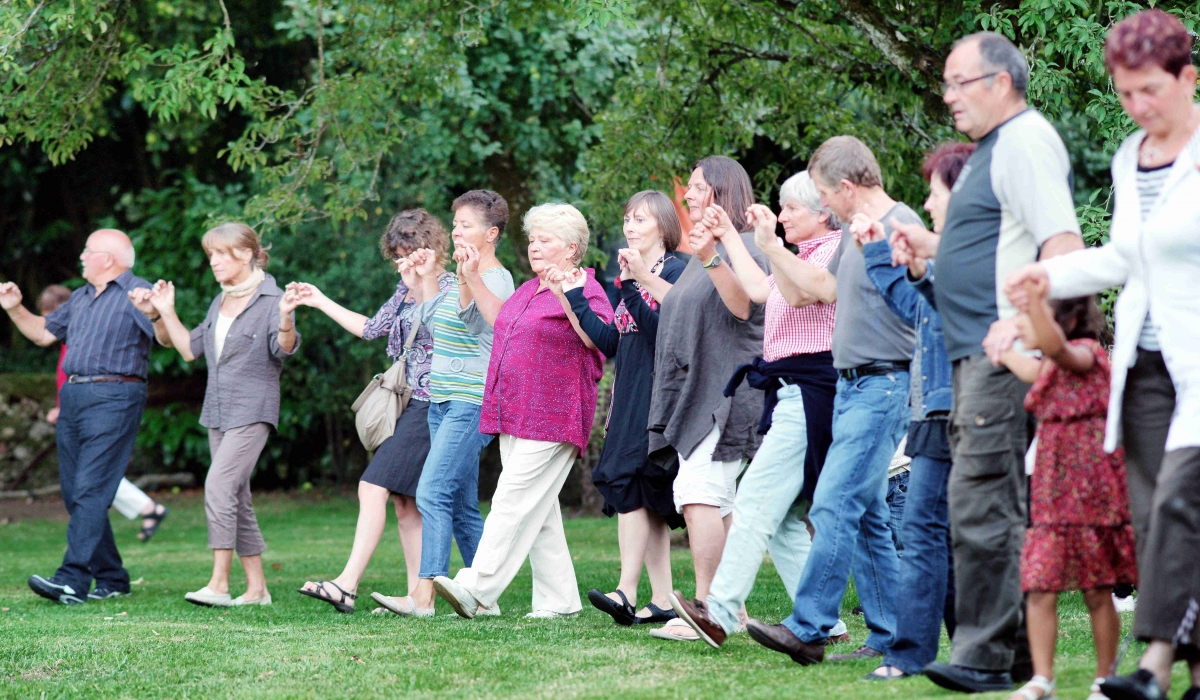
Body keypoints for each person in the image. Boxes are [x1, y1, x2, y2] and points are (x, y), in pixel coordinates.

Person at [1004, 11, 1200, 700]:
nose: (1138, 107)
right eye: (1124, 95)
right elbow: (1121, 258)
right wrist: (1046, 279)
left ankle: (1151, 665)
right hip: (1145, 369)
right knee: (1154, 518)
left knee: (1180, 503)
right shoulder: (1129, 158)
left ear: (1188, 78)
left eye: (1150, 90)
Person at [890, 32, 1084, 693]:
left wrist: (1036, 336)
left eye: (958, 82)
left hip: (1002, 356)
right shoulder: (990, 153)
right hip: (975, 352)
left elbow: (1061, 243)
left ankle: (985, 654)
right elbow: (991, 247)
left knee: (981, 504)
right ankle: (1019, 656)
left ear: (1000, 81)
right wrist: (929, 250)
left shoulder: (1026, 141)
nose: (947, 96)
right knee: (989, 500)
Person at [742, 136, 918, 664]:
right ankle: (890, 637)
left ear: (844, 188)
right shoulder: (856, 237)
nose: (824, 206)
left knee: (833, 502)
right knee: (863, 513)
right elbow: (820, 287)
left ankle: (810, 626)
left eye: (822, 194)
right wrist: (770, 245)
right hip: (853, 383)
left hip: (882, 383)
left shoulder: (893, 225)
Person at [668, 170, 851, 646]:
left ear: (823, 213)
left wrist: (765, 244)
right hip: (788, 389)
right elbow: (759, 292)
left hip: (813, 386)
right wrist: (724, 238)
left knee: (751, 504)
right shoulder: (801, 254)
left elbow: (805, 292)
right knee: (789, 520)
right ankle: (827, 623)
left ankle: (720, 613)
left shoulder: (834, 252)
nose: (782, 214)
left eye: (792, 208)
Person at [432, 202, 611, 619]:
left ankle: (477, 589)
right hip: (515, 411)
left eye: (544, 240)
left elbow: (596, 339)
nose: (534, 247)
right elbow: (499, 321)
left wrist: (568, 293)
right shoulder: (530, 289)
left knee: (511, 501)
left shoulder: (586, 287)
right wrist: (472, 277)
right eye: (532, 239)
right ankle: (560, 602)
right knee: (540, 513)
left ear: (570, 247)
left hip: (554, 415)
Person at [289, 210, 453, 613]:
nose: (403, 263)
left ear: (431, 251)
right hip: (408, 404)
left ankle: (346, 584)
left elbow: (450, 333)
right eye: (397, 255)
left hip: (434, 403)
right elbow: (370, 328)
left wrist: (422, 283)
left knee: (372, 486)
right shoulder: (401, 292)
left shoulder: (449, 288)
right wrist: (318, 299)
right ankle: (420, 598)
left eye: (410, 253)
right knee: (406, 504)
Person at [135, 222, 300, 607]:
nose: (214, 262)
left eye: (222, 254)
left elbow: (284, 349)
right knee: (236, 496)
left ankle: (219, 584)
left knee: (219, 487)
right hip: (219, 411)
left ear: (246, 254)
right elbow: (188, 349)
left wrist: (287, 319)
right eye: (211, 255)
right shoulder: (221, 300)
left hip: (253, 410)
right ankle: (258, 589)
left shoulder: (273, 299)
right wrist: (162, 313)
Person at [857, 143, 975, 680]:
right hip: (933, 411)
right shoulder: (949, 259)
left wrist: (922, 266)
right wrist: (880, 255)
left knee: (930, 531)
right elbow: (913, 307)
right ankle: (962, 652)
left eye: (935, 191)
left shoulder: (974, 254)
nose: (927, 203)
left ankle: (914, 653)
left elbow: (952, 305)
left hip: (963, 411)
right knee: (935, 532)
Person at [3, 229, 169, 604]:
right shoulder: (80, 298)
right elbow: (44, 334)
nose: (81, 255)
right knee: (74, 492)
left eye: (87, 250)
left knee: (92, 488)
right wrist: (14, 306)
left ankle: (72, 579)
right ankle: (111, 577)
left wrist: (156, 312)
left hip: (115, 394)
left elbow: (166, 339)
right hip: (74, 395)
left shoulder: (138, 293)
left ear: (108, 258)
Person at [642, 155, 769, 642]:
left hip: (727, 392)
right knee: (721, 501)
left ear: (719, 192)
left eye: (696, 188)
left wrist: (713, 254)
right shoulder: (703, 250)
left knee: (698, 495)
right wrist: (645, 279)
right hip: (701, 390)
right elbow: (687, 304)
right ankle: (728, 607)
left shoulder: (744, 246)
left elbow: (741, 305)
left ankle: (711, 610)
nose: (688, 196)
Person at [372, 191, 515, 618]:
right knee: (459, 504)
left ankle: (423, 596)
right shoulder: (457, 273)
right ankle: (482, 597)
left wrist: (467, 276)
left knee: (431, 491)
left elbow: (477, 324)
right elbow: (430, 321)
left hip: (472, 404)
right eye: (454, 225)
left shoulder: (498, 279)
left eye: (465, 225)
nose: (455, 232)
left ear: (490, 234)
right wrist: (429, 277)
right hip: (442, 401)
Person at [994, 289, 1137, 700]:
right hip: (1052, 488)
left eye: (1031, 316)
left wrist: (1035, 303)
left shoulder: (1087, 352)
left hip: (1092, 489)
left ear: (1065, 321)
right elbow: (1031, 370)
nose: (1022, 323)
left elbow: (1057, 352)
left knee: (1096, 587)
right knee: (1039, 583)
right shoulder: (1049, 367)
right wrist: (1001, 349)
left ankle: (1103, 678)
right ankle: (1042, 679)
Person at [567, 191, 686, 626]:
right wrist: (576, 298)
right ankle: (662, 599)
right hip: (630, 393)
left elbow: (667, 334)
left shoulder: (678, 269)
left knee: (631, 481)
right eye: (627, 218)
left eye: (641, 219)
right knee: (643, 493)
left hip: (660, 395)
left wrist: (634, 285)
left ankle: (626, 590)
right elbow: (617, 342)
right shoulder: (631, 274)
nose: (630, 226)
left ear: (664, 226)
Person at [37, 285, 170, 543]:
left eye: (49, 314)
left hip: (88, 404)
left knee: (92, 478)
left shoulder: (78, 331)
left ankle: (148, 508)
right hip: (75, 405)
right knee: (90, 478)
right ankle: (143, 515)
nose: (48, 323)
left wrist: (63, 407)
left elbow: (73, 374)